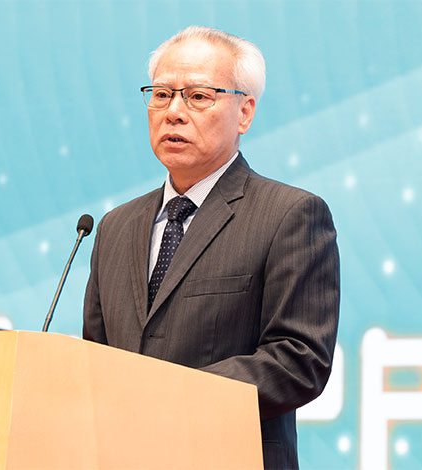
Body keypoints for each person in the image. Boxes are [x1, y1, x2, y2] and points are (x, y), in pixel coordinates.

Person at [82, 26, 340, 469]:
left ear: (245, 113)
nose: (173, 112)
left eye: (198, 96)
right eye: (161, 95)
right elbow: (95, 361)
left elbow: (299, 360)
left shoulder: (289, 215)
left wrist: (170, 397)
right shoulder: (114, 227)